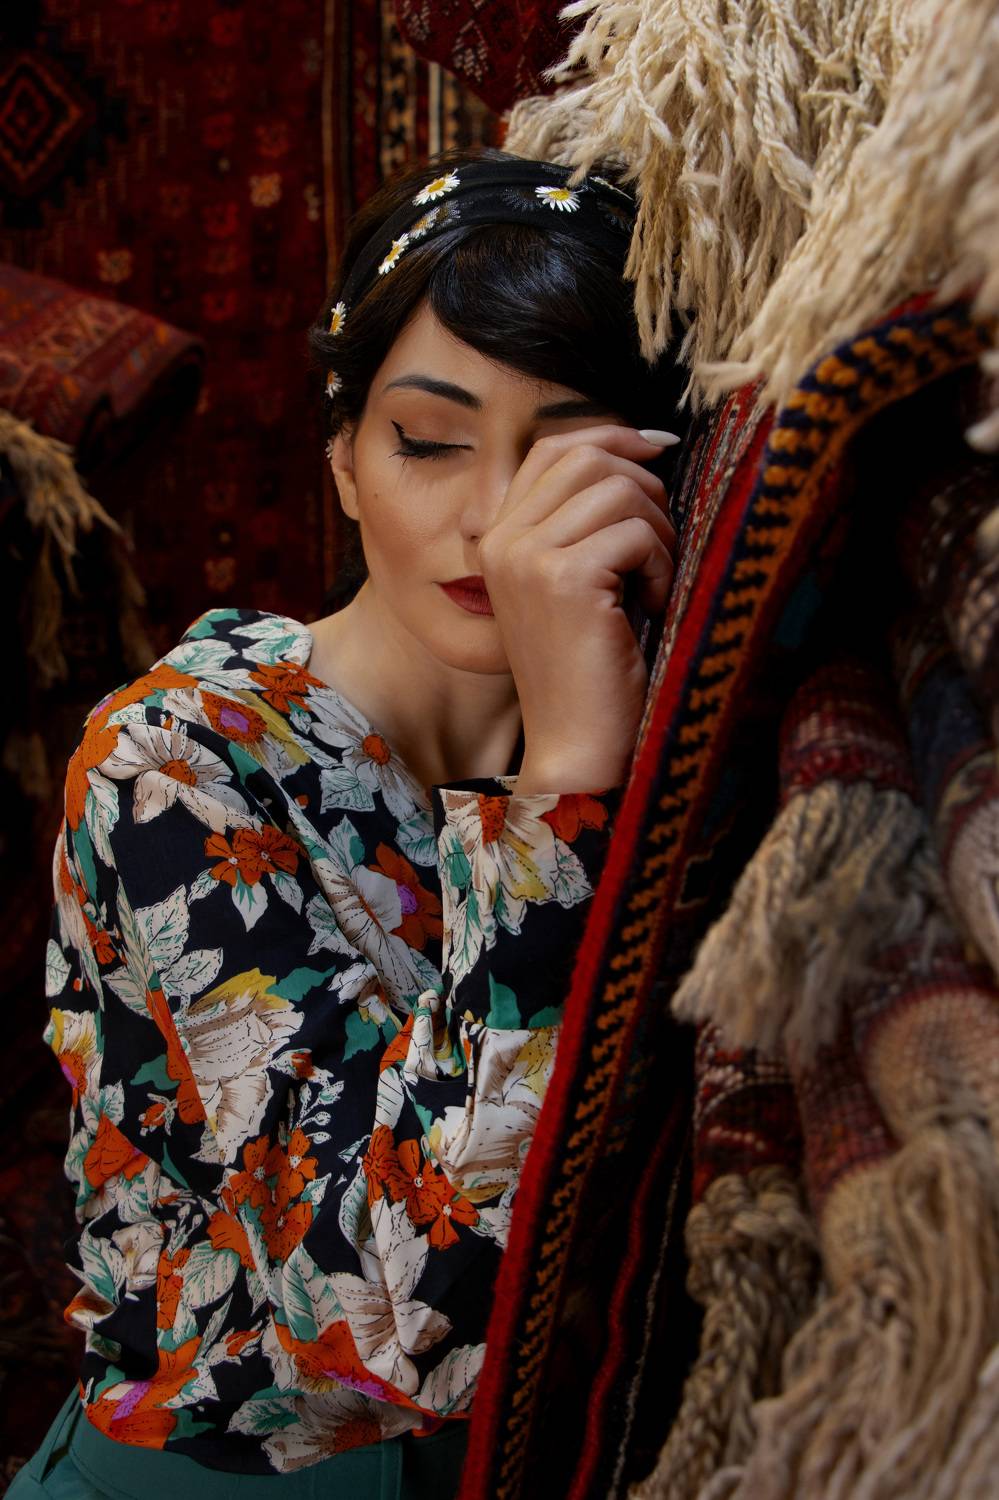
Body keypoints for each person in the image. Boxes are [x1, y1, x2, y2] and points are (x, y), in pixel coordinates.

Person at [15, 147, 684, 1499]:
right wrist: (562, 783)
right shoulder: (176, 761)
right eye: (429, 443)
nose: (493, 522)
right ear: (342, 461)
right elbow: (387, 1321)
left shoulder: (682, 728)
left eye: (564, 455)